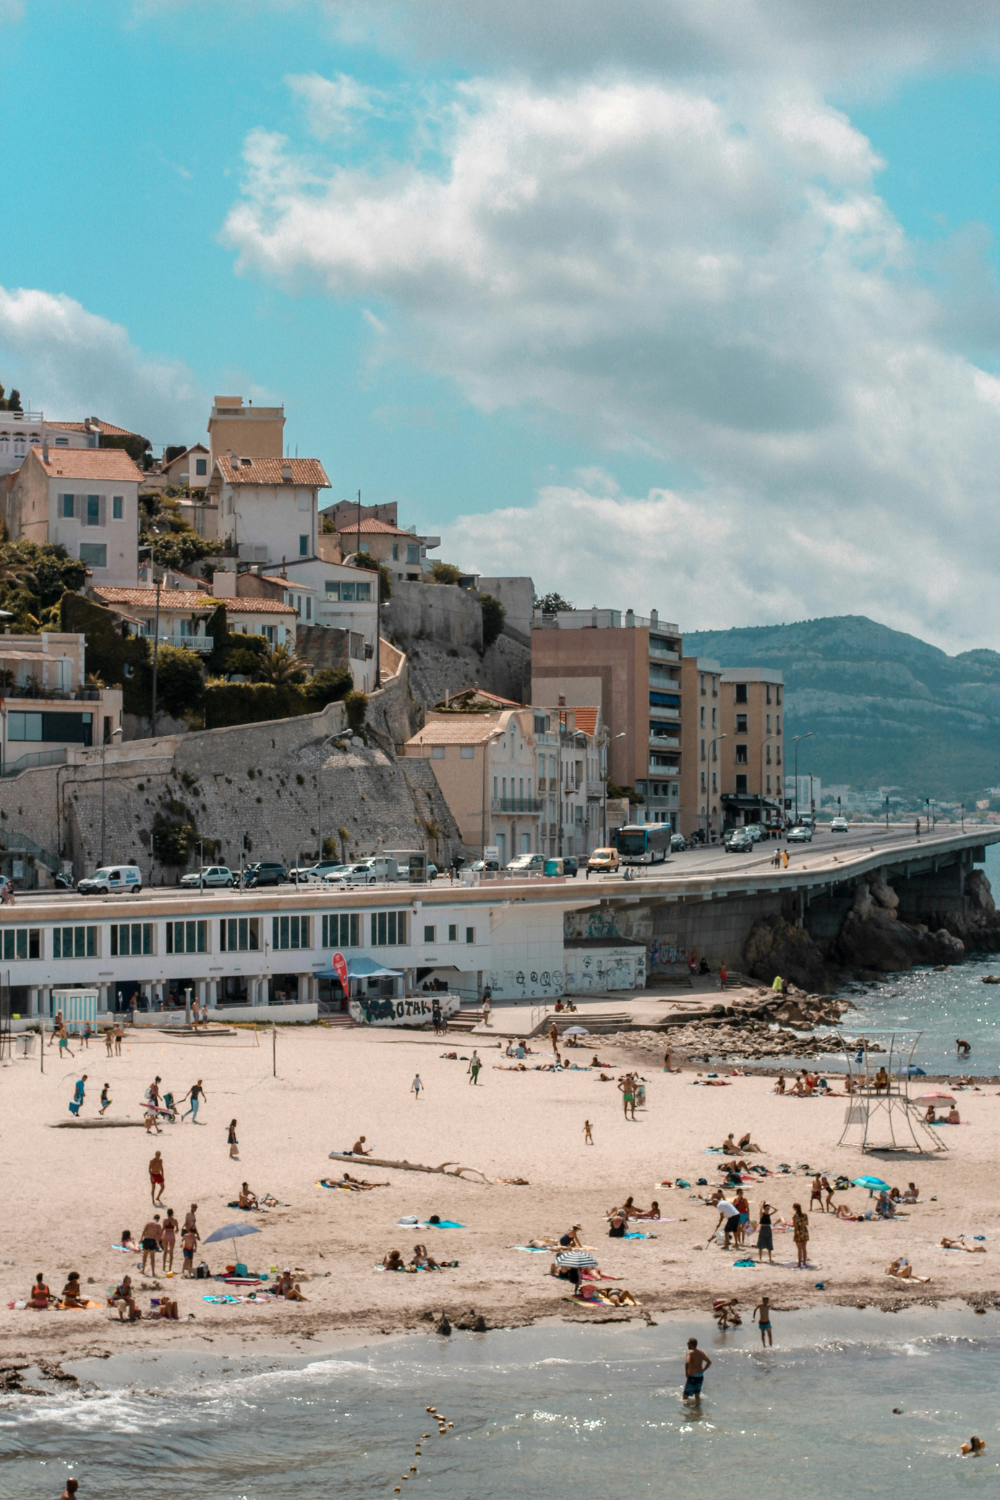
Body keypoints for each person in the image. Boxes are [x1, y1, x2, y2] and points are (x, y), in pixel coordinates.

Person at [792, 1203, 809, 1267]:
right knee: (804, 1248)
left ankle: (799, 1263)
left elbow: (794, 1224)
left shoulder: (795, 1216)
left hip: (798, 1231)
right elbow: (806, 1223)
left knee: (799, 1249)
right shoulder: (804, 1215)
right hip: (804, 1230)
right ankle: (804, 1262)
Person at [161, 1209, 178, 1273]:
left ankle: (163, 1267)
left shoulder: (165, 1220)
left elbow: (163, 1229)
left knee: (165, 1252)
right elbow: (177, 1229)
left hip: (166, 1235)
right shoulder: (175, 1220)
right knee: (171, 1253)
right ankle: (170, 1268)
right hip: (171, 1235)